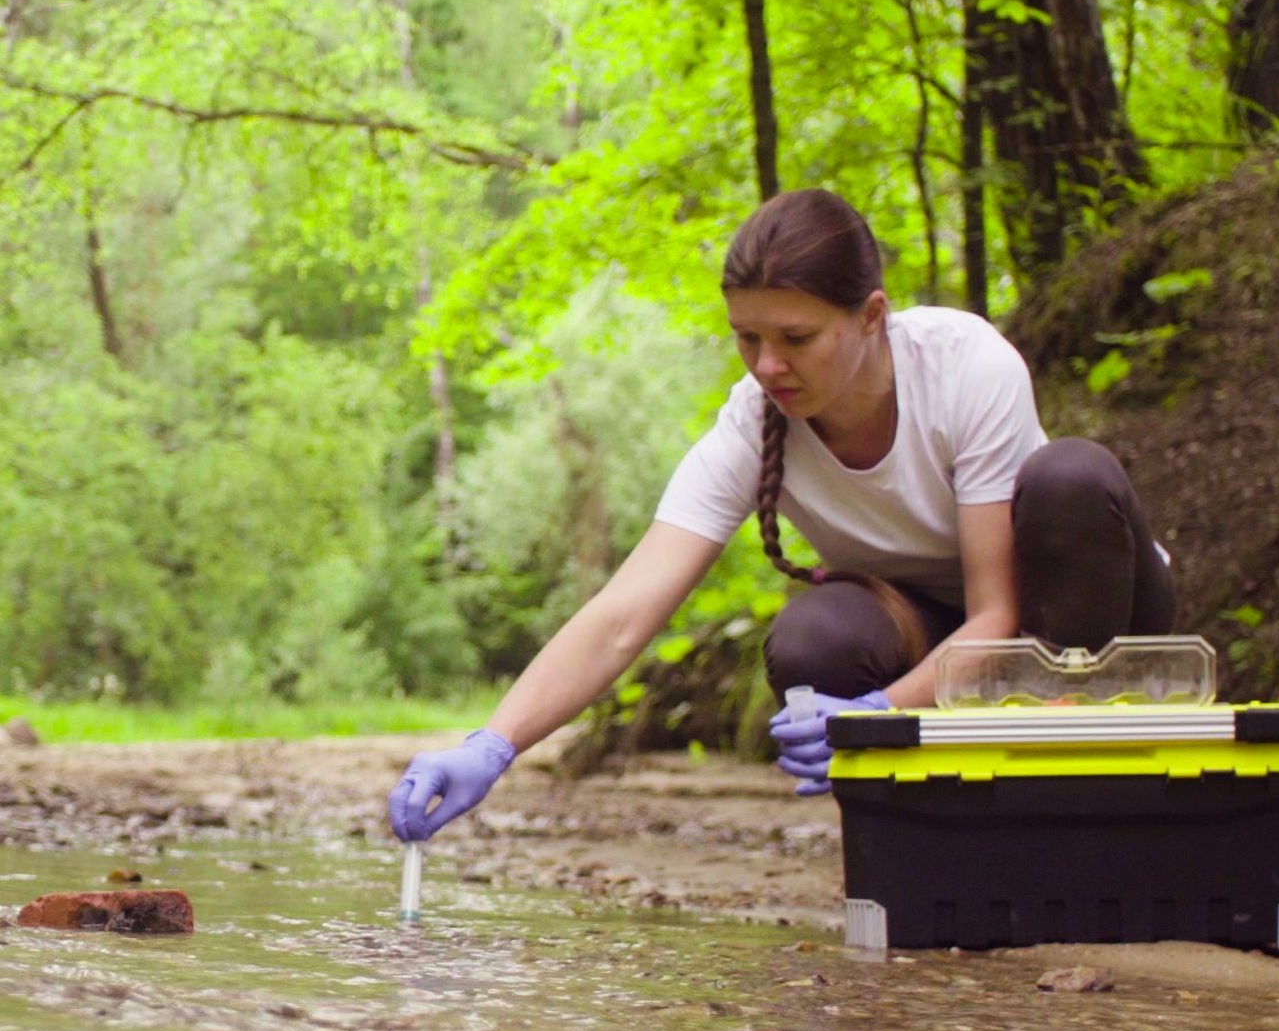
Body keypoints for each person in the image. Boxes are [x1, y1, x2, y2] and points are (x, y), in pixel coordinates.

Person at [388, 188, 1176, 841]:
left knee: (1072, 476)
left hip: (1074, 615)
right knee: (814, 638)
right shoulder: (752, 421)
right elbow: (623, 616)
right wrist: (493, 744)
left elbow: (1000, 614)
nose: (768, 365)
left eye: (796, 337)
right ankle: (929, 853)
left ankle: (1093, 820)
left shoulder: (965, 365)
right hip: (935, 631)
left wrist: (874, 716)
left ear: (872, 317)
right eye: (747, 338)